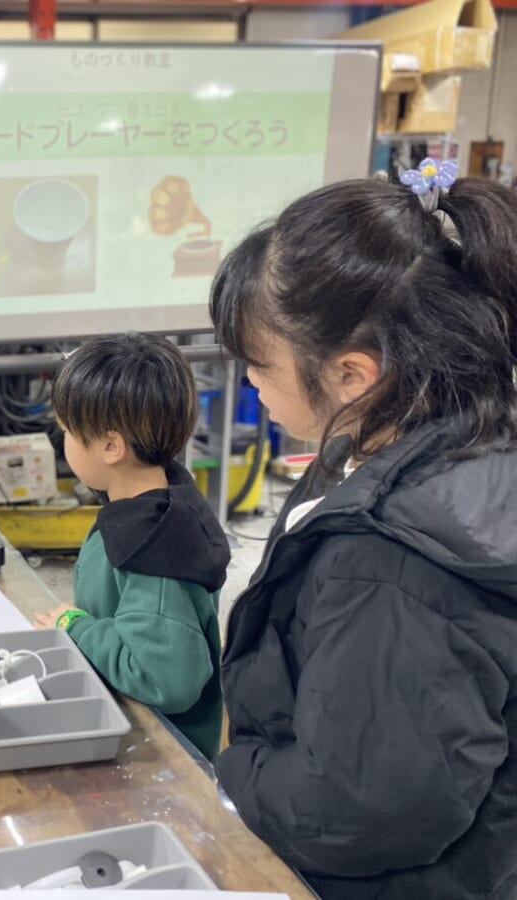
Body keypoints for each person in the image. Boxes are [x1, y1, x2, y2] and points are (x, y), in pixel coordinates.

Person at [210, 165, 517, 898]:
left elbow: (357, 810)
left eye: (261, 366)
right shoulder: (450, 436)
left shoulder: (390, 562)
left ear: (352, 374)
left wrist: (233, 766)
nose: (253, 385)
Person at [32, 335, 228, 761]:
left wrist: (76, 626)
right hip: (131, 723)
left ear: (110, 446)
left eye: (67, 431)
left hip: (163, 755)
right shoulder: (151, 506)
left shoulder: (152, 548)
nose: (63, 442)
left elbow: (166, 679)